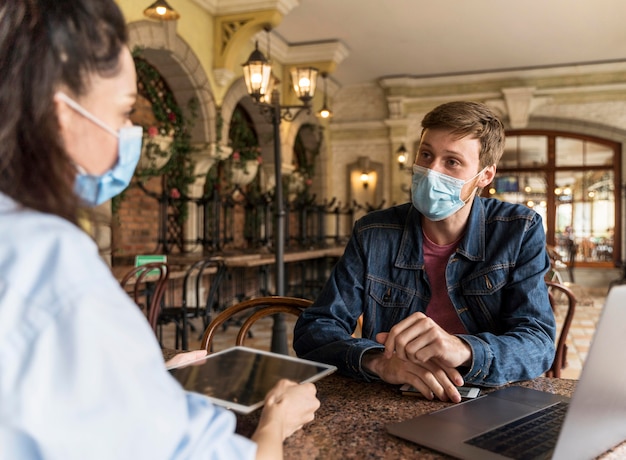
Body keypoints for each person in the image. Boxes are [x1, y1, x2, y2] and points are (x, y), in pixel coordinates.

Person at [0, 1, 319, 459]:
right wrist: (275, 422)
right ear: (62, 114)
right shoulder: (51, 264)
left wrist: (143, 379)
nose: (130, 133)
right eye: (125, 112)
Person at [294, 101, 556, 403]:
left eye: (452, 162)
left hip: (488, 398)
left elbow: (538, 344)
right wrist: (378, 362)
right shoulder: (374, 232)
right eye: (427, 154)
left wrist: (465, 349)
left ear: (484, 176)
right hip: (392, 397)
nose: (431, 171)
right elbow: (315, 329)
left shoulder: (518, 229)